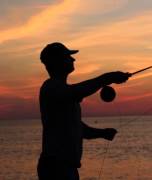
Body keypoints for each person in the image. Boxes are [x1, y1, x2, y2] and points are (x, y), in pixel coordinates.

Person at [37, 42, 131, 180]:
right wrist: (108, 78)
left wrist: (102, 133)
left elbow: (78, 128)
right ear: (58, 61)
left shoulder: (64, 92)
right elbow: (76, 91)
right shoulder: (51, 88)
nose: (73, 59)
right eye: (68, 57)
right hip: (55, 169)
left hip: (68, 169)